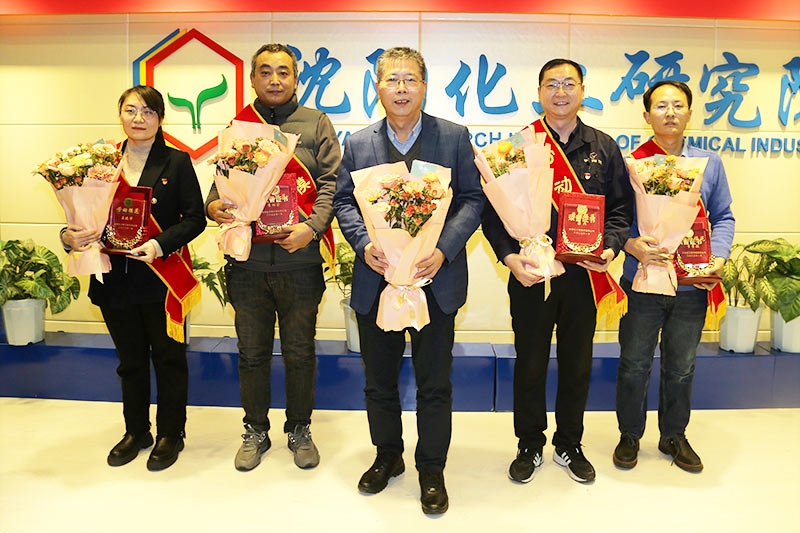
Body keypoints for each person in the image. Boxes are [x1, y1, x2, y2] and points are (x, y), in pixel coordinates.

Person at [333, 47, 483, 514]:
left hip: (434, 281)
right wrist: (364, 245)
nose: (401, 88)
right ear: (377, 87)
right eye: (392, 80)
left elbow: (473, 199)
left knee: (434, 383)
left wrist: (444, 249)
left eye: (410, 79)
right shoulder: (359, 143)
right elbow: (344, 202)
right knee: (379, 381)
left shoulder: (453, 137)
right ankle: (388, 456)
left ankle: (431, 468)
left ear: (424, 86)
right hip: (377, 280)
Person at [482, 59, 634, 484]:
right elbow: (492, 213)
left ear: (582, 91)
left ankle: (570, 443)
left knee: (577, 364)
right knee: (529, 362)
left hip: (584, 276)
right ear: (539, 93)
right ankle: (529, 443)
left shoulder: (604, 147)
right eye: (552, 84)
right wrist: (509, 258)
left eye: (569, 84)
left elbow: (621, 210)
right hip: (531, 274)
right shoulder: (517, 146)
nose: (561, 92)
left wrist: (610, 247)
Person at [205, 44, 340, 471]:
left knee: (300, 352)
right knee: (251, 353)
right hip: (248, 265)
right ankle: (255, 430)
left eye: (284, 72)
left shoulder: (316, 123)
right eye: (265, 72)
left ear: (296, 78)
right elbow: (219, 187)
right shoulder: (239, 126)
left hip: (300, 262)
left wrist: (311, 228)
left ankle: (299, 428)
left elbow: (332, 184)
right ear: (253, 80)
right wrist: (214, 207)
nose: (275, 80)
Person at [61, 85, 206, 471]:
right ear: (120, 115)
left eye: (148, 111)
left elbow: (195, 219)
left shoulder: (176, 162)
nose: (138, 118)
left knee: (169, 359)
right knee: (130, 361)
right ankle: (136, 431)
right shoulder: (99, 163)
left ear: (160, 119)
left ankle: (171, 433)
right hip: (113, 278)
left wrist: (159, 244)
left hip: (160, 278)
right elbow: (78, 217)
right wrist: (68, 237)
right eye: (130, 110)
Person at [614, 80, 735, 473]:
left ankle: (674, 435)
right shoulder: (631, 163)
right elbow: (616, 219)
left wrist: (718, 257)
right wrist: (631, 244)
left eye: (678, 105)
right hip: (643, 280)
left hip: (690, 284)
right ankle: (629, 434)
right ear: (646, 115)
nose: (670, 113)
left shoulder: (709, 163)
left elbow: (724, 216)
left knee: (681, 366)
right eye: (661, 106)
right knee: (634, 363)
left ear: (689, 113)